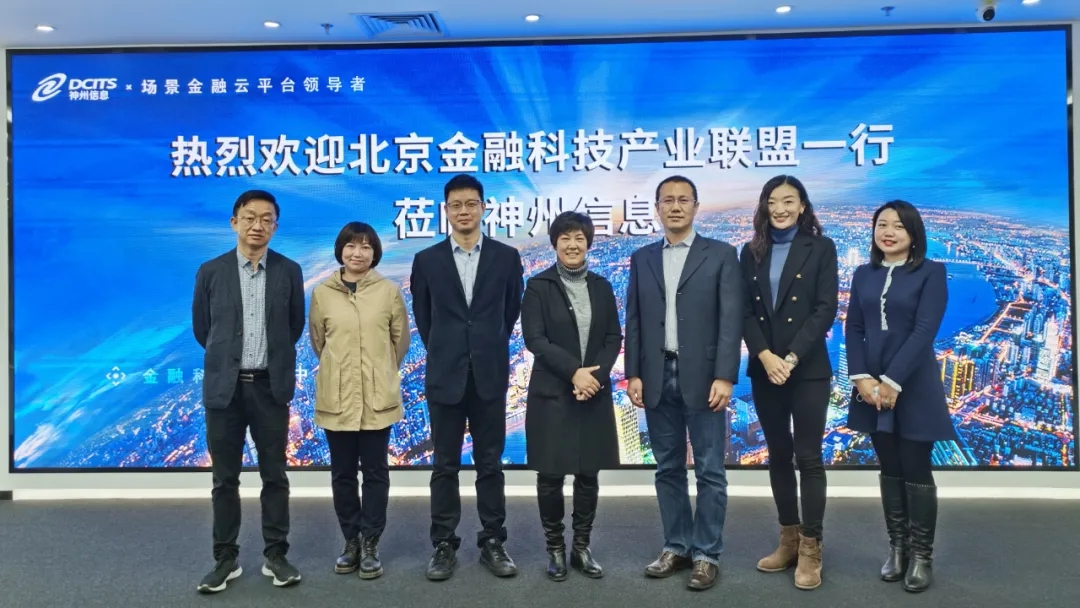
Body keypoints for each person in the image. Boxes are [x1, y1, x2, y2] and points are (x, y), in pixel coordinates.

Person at [625, 175, 744, 591]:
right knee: (668, 468)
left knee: (710, 470)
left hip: (705, 377)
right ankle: (676, 546)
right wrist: (633, 372)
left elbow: (731, 319)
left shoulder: (722, 254)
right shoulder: (641, 258)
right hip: (656, 376)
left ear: (696, 206)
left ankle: (706, 554)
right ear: (657, 208)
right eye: (667, 200)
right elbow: (635, 320)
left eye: (683, 200)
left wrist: (725, 375)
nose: (675, 207)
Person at [410, 174, 525, 581]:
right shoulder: (427, 260)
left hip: (489, 374)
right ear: (446, 211)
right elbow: (425, 319)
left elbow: (509, 312)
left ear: (483, 207)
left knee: (490, 463)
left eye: (471, 203)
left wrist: (482, 345)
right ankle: (444, 543)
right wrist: (451, 349)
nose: (463, 211)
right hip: (445, 375)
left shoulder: (506, 257)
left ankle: (493, 540)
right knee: (444, 464)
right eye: (456, 205)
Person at [191, 189, 305, 593]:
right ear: (234, 222)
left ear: (275, 226)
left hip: (269, 388)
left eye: (267, 219)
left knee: (275, 475)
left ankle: (276, 555)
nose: (258, 225)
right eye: (250, 217)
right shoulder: (211, 271)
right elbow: (204, 330)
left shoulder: (289, 270)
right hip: (225, 391)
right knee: (225, 479)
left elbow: (293, 327)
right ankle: (225, 558)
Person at [844, 200, 954, 594]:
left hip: (914, 383)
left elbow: (925, 330)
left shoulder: (931, 272)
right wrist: (861, 379)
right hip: (870, 385)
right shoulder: (863, 273)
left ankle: (922, 555)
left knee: (915, 467)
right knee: (889, 465)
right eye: (882, 224)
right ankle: (898, 548)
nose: (888, 232)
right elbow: (854, 328)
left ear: (913, 233)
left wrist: (892, 381)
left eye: (898, 226)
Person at [739, 175, 838, 590]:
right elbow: (744, 310)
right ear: (764, 207)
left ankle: (812, 546)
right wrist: (765, 356)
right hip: (766, 369)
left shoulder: (821, 247)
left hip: (808, 368)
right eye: (772, 201)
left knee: (808, 457)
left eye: (788, 201)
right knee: (778, 455)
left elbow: (825, 308)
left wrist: (791, 358)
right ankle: (789, 539)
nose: (780, 209)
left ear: (802, 206)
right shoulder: (751, 251)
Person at [520, 211, 622, 582]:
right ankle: (555, 549)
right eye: (565, 238)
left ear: (588, 243)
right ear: (555, 243)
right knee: (550, 475)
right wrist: (574, 372)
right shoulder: (538, 286)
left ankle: (581, 546)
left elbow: (613, 337)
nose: (572, 244)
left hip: (591, 392)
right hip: (552, 394)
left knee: (588, 473)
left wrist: (594, 377)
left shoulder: (602, 286)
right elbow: (535, 339)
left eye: (579, 237)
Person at [309, 222, 409, 580]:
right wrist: (341, 372)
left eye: (366, 246)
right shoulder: (322, 293)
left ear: (374, 253)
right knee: (343, 474)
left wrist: (379, 372)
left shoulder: (388, 291)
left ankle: (371, 542)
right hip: (337, 399)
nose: (357, 253)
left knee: (376, 473)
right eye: (351, 246)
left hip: (377, 398)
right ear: (341, 250)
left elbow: (400, 343)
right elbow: (319, 343)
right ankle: (350, 540)